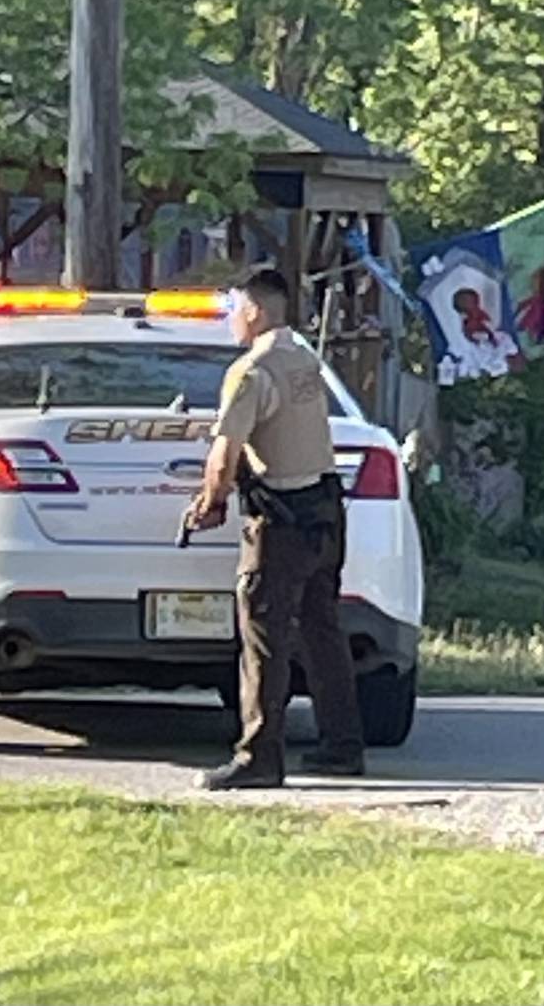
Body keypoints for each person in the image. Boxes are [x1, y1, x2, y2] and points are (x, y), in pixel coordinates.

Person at [183, 266, 365, 789]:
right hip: (326, 512)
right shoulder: (305, 361)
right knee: (322, 630)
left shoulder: (252, 371)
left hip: (281, 520)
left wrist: (210, 501)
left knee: (263, 637)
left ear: (254, 310)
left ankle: (259, 757)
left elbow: (225, 453)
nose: (230, 321)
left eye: (233, 310)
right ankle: (342, 745)